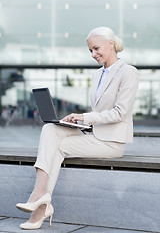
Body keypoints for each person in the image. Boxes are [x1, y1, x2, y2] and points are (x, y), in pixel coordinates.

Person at [16, 27, 139, 230]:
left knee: (59, 146)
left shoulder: (128, 72)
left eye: (96, 48)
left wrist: (85, 116)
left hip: (112, 143)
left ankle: (39, 203)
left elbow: (120, 113)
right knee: (50, 129)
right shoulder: (97, 75)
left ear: (111, 44)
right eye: (90, 50)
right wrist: (79, 122)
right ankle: (40, 197)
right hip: (94, 134)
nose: (93, 54)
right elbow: (99, 111)